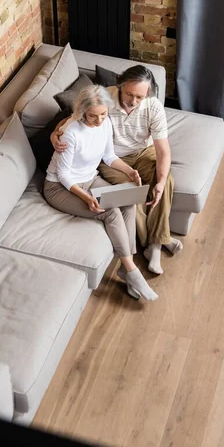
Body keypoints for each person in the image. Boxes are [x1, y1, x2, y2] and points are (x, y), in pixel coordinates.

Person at [51, 65, 183, 275]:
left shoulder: (153, 107)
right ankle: (156, 241)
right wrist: (54, 135)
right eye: (129, 94)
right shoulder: (106, 99)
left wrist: (159, 181)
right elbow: (74, 118)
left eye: (140, 97)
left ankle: (156, 245)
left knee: (165, 181)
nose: (133, 101)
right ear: (120, 86)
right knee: (129, 192)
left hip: (144, 151)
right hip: (114, 158)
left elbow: (163, 151)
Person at [44, 84, 158, 302]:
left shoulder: (105, 124)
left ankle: (127, 267)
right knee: (111, 212)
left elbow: (108, 155)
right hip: (59, 187)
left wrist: (129, 171)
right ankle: (133, 272)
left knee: (127, 199)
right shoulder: (71, 132)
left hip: (90, 178)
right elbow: (64, 174)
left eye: (103, 114)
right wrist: (86, 197)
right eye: (93, 116)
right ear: (82, 112)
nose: (99, 120)